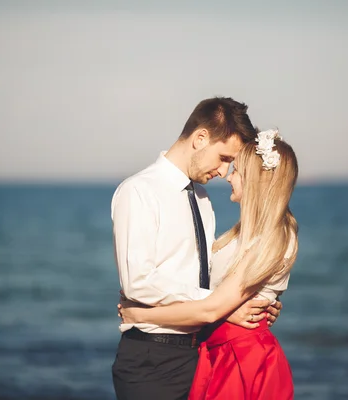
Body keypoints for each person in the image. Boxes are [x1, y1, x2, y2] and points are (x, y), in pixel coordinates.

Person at [111, 97, 283, 400]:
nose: (224, 170)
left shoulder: (202, 198)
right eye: (224, 157)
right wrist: (221, 305)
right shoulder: (138, 191)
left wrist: (255, 300)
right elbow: (138, 283)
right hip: (153, 358)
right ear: (200, 138)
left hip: (202, 354)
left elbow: (202, 273)